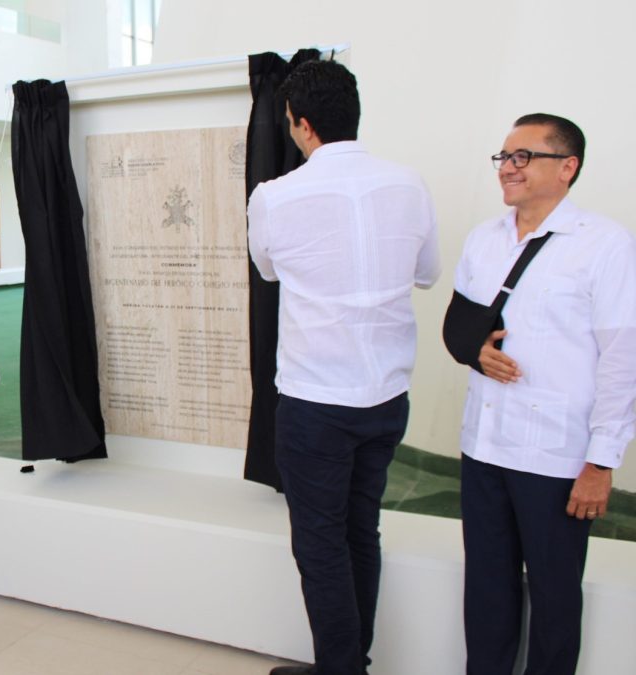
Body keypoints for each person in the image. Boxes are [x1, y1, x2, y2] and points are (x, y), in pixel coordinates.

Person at [246, 61, 441, 675]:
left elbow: (268, 270)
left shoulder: (274, 196)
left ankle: (342, 668)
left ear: (301, 126)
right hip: (385, 397)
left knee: (321, 544)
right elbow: (428, 272)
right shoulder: (409, 184)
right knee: (362, 531)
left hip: (315, 400)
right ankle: (352, 660)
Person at [455, 114, 636, 675]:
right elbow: (459, 328)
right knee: (486, 592)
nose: (508, 168)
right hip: (483, 445)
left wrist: (601, 461)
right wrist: (474, 351)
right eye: (504, 157)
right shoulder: (483, 239)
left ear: (567, 167)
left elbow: (623, 362)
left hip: (555, 457)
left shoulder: (605, 246)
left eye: (523, 157)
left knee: (555, 599)